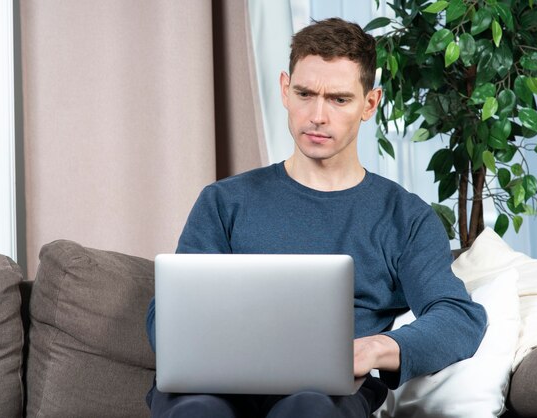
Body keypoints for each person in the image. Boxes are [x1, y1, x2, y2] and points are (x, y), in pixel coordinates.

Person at [145, 17, 487, 418]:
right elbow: (165, 315)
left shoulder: (404, 217)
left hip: (324, 393)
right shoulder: (224, 201)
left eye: (339, 99)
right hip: (211, 385)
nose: (317, 115)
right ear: (285, 90)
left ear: (369, 103)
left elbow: (458, 316)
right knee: (198, 411)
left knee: (308, 409)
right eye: (305, 94)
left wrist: (374, 347)